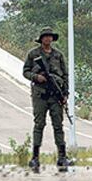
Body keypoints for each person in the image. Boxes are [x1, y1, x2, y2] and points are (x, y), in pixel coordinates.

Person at [22, 27, 69, 172]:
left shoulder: (58, 55)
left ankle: (62, 156)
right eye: (45, 36)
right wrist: (36, 77)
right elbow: (25, 71)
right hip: (40, 95)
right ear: (41, 39)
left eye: (50, 36)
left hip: (55, 95)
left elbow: (65, 76)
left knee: (58, 125)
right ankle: (35, 157)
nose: (48, 39)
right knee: (39, 124)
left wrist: (65, 94)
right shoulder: (33, 54)